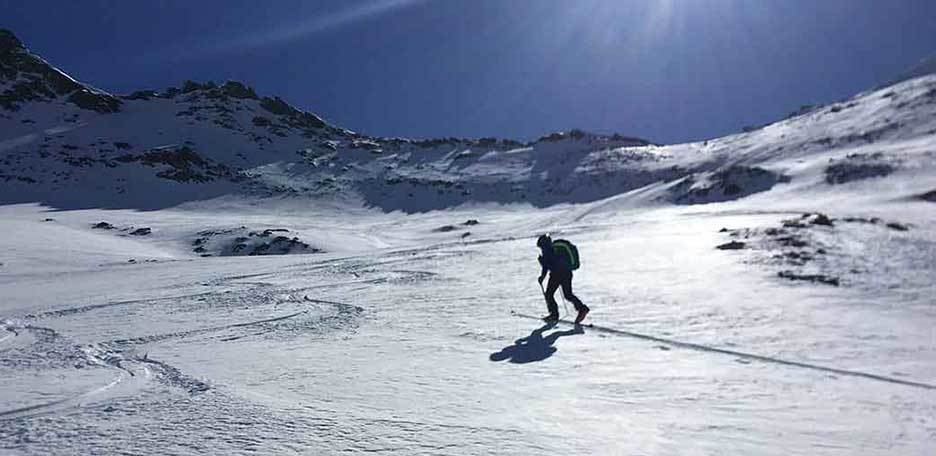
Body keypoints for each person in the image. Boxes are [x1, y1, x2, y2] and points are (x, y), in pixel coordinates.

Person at [536, 234, 589, 324]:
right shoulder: (554, 249)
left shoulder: (551, 251)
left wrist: (543, 269)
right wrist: (542, 275)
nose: (541, 248)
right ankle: (582, 309)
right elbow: (549, 265)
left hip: (557, 275)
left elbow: (551, 265)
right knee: (567, 294)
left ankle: (554, 315)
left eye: (541, 246)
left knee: (549, 294)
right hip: (566, 274)